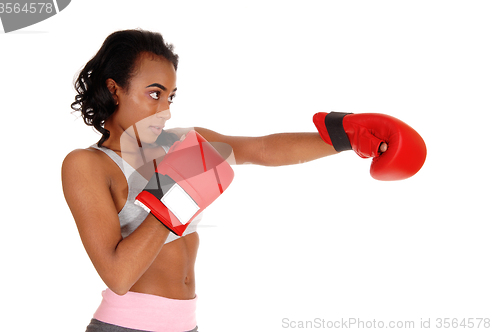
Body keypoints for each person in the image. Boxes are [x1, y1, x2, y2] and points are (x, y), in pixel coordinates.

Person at [62, 29, 423, 332]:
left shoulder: (183, 142)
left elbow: (261, 149)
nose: (166, 109)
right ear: (114, 89)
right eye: (154, 94)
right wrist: (173, 200)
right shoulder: (88, 165)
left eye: (171, 97)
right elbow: (118, 275)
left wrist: (346, 138)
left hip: (185, 324)